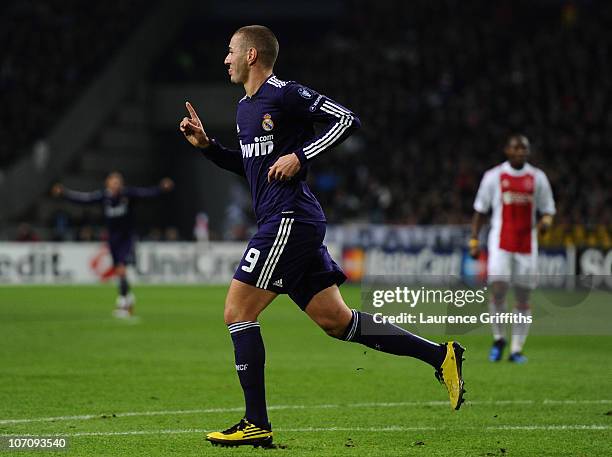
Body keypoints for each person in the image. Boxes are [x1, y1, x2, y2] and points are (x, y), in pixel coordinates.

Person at [180, 25, 465, 448]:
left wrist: (301, 154)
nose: (226, 59)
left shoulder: (285, 93)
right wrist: (207, 146)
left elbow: (347, 119)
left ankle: (256, 421)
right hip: (286, 222)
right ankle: (440, 356)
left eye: (231, 51)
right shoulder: (245, 108)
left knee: (238, 311)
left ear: (253, 55)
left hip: (289, 219)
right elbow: (251, 168)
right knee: (337, 322)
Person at [470, 134, 555, 363]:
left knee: (523, 296)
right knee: (498, 290)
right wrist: (474, 240)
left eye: (524, 148)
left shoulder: (537, 178)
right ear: (507, 150)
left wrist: (546, 221)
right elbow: (480, 210)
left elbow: (548, 209)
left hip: (527, 245)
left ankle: (516, 349)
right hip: (501, 244)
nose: (520, 152)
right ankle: (499, 339)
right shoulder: (493, 176)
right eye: (516, 148)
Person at [52, 172, 174, 317]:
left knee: (121, 268)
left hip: (127, 237)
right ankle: (128, 298)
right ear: (107, 184)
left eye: (118, 182)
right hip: (113, 239)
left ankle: (122, 303)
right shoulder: (103, 197)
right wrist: (65, 193)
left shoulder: (128, 195)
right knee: (118, 270)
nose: (116, 185)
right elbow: (84, 199)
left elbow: (147, 194)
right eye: (113, 182)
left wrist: (161, 188)